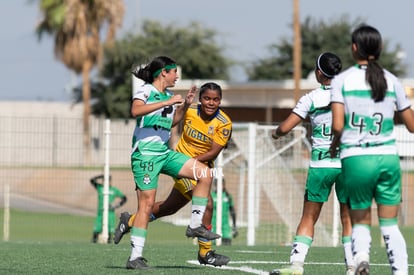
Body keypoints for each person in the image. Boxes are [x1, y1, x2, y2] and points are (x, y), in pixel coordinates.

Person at [115, 81, 233, 267]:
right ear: (200, 99)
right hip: (181, 167)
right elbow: (171, 122)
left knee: (169, 208)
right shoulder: (191, 111)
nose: (211, 103)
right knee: (208, 204)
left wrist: (193, 162)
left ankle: (129, 220)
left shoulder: (224, 122)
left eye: (216, 99)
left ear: (220, 101)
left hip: (198, 167)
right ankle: (205, 253)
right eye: (207, 98)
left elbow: (213, 152)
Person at [330, 25, 414, 275]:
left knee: (361, 220)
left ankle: (362, 258)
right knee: (390, 225)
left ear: (354, 47)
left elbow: (337, 125)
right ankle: (399, 272)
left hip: (356, 158)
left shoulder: (342, 80)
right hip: (387, 157)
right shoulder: (392, 80)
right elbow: (411, 126)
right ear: (380, 48)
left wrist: (336, 145)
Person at [269, 52, 355, 275]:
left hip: (321, 164)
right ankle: (352, 266)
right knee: (348, 218)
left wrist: (276, 134)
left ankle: (297, 264)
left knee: (308, 217)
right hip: (347, 164)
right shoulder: (351, 96)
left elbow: (285, 128)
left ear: (319, 73)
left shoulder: (311, 98)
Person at [90, 174, 127, 243]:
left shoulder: (114, 190)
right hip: (100, 213)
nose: (106, 182)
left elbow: (124, 198)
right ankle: (93, 246)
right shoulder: (100, 187)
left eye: (108, 180)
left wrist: (116, 205)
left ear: (110, 181)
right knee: (96, 231)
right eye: (104, 180)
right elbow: (92, 180)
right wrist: (102, 175)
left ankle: (108, 246)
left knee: (109, 233)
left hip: (110, 214)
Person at [211, 178, 238, 245]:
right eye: (218, 185)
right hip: (213, 225)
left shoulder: (228, 196)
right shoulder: (211, 196)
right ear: (215, 185)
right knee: (212, 246)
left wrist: (234, 226)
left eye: (222, 184)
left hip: (225, 226)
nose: (220, 186)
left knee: (227, 243)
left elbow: (232, 211)